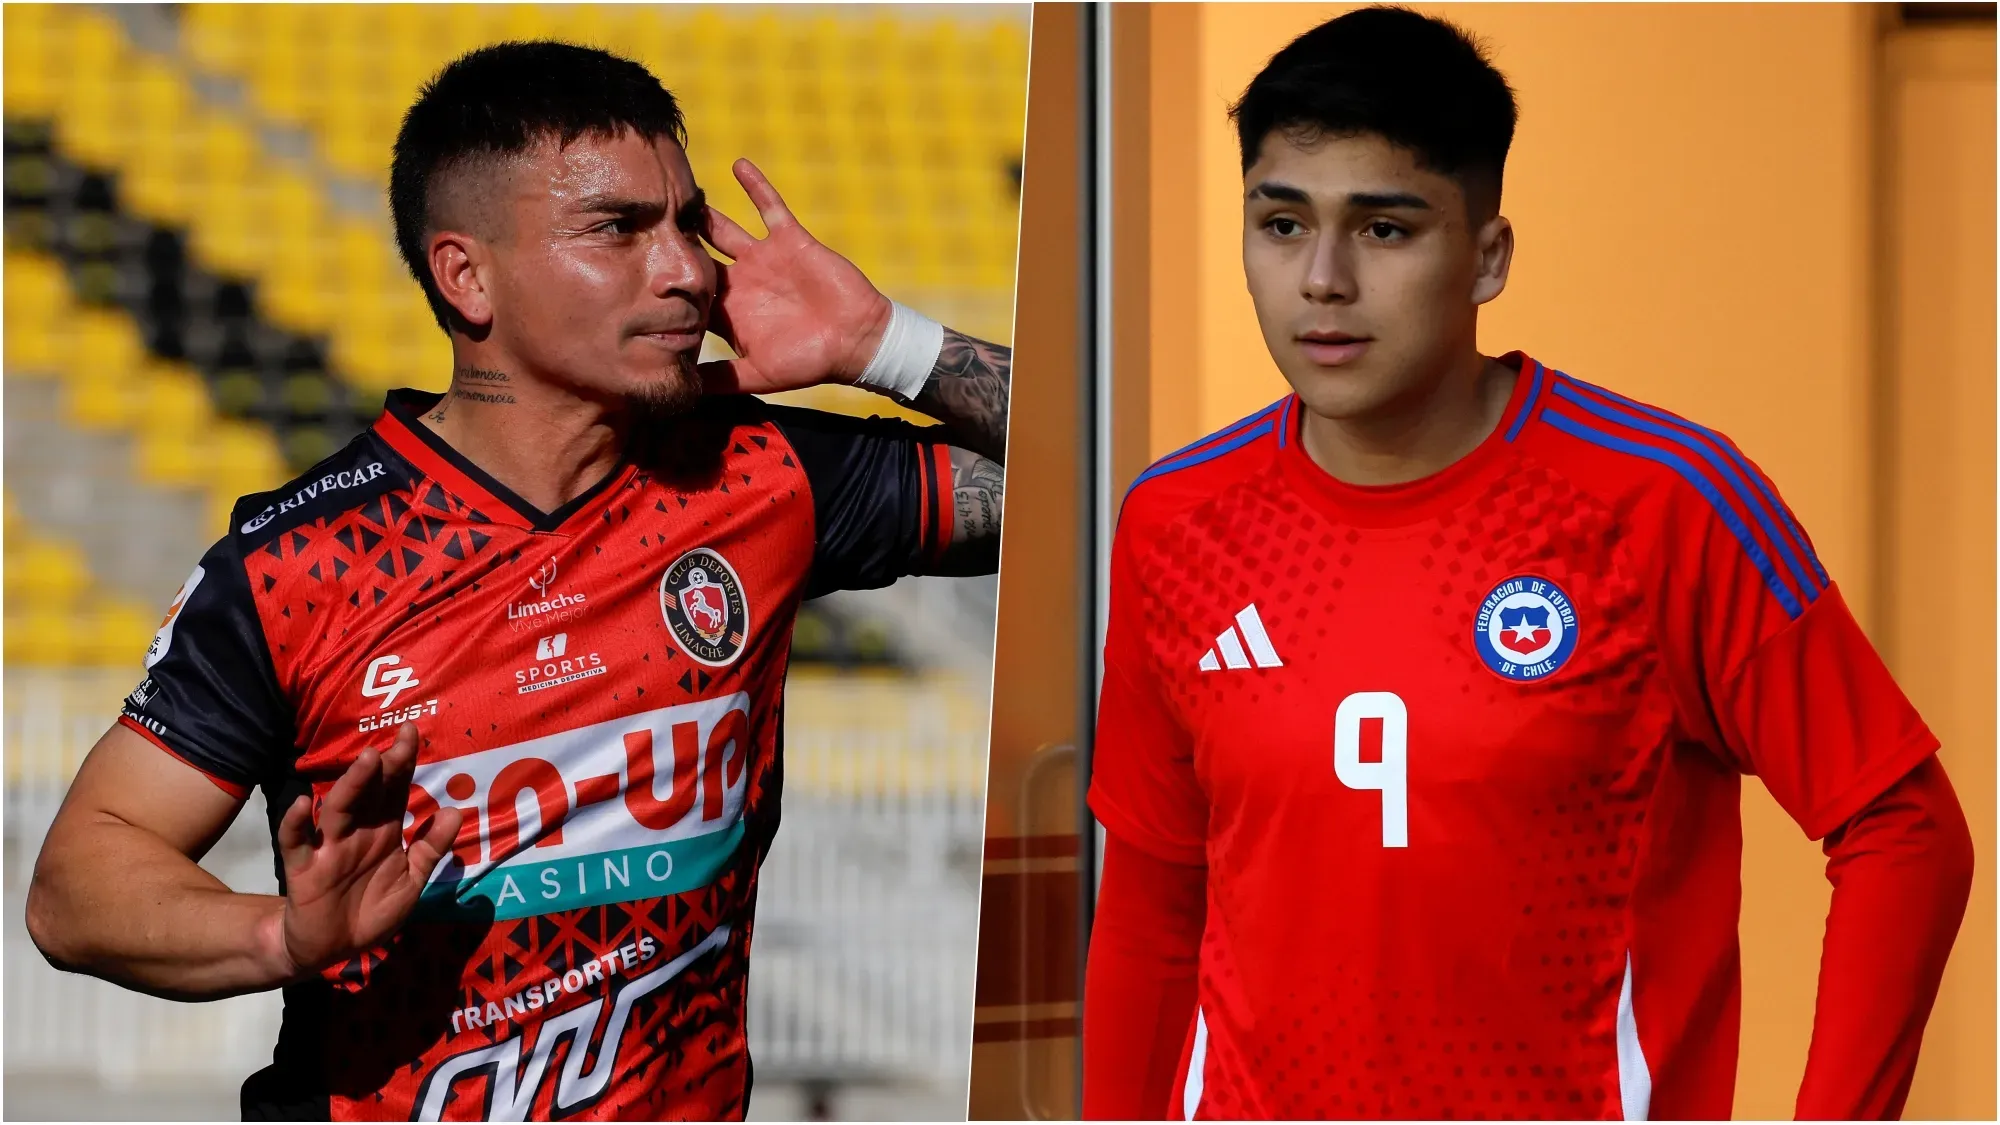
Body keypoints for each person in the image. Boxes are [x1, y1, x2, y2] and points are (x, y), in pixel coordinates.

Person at [27, 41, 1009, 1121]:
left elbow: (1124, 479)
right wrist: (279, 934)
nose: (685, 269)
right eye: (617, 229)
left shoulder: (755, 472)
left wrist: (884, 345)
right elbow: (80, 882)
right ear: (465, 275)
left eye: (684, 223)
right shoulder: (302, 564)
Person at [1080, 8, 1971, 1121]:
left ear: (1485, 256)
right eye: (1279, 222)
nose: (1319, 278)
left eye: (1384, 229)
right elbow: (1153, 912)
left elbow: (1902, 826)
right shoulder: (1176, 521)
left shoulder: (1665, 499)